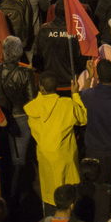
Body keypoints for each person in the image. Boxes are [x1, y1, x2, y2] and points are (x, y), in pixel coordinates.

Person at [25, 72, 87, 210]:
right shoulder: (67, 104)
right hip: (66, 156)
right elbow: (83, 119)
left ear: (41, 88)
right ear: (57, 87)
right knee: (69, 194)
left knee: (51, 196)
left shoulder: (35, 107)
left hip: (46, 156)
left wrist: (41, 90)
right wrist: (75, 94)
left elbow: (40, 99)